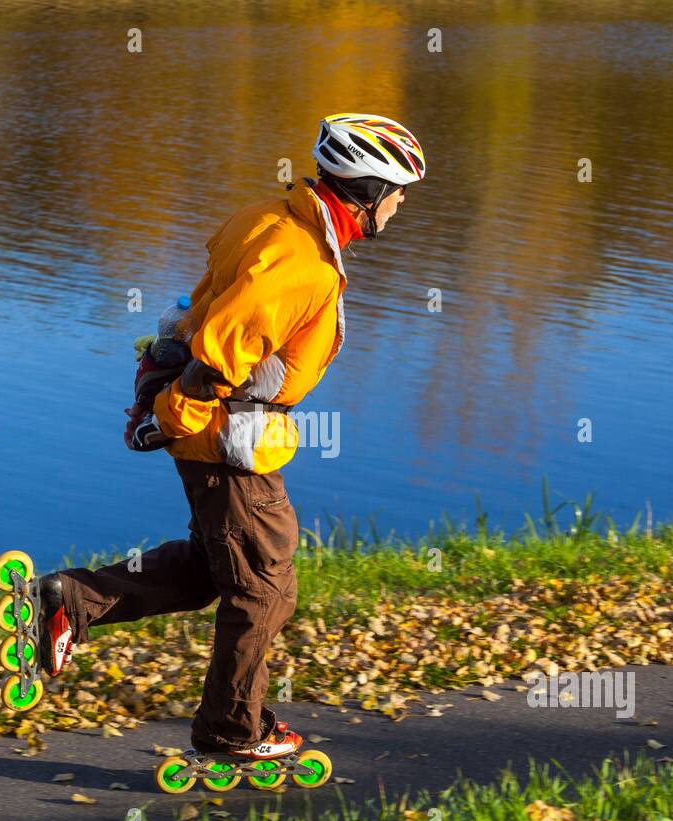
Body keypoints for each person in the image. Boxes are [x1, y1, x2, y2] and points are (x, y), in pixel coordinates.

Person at [34, 113, 426, 759]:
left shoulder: (272, 218)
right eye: (399, 189)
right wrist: (170, 419)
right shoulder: (303, 263)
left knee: (220, 568)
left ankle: (70, 600)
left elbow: (200, 307)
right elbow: (220, 351)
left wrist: (163, 411)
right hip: (224, 437)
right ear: (367, 190)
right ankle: (230, 731)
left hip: (213, 429)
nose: (403, 202)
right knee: (265, 588)